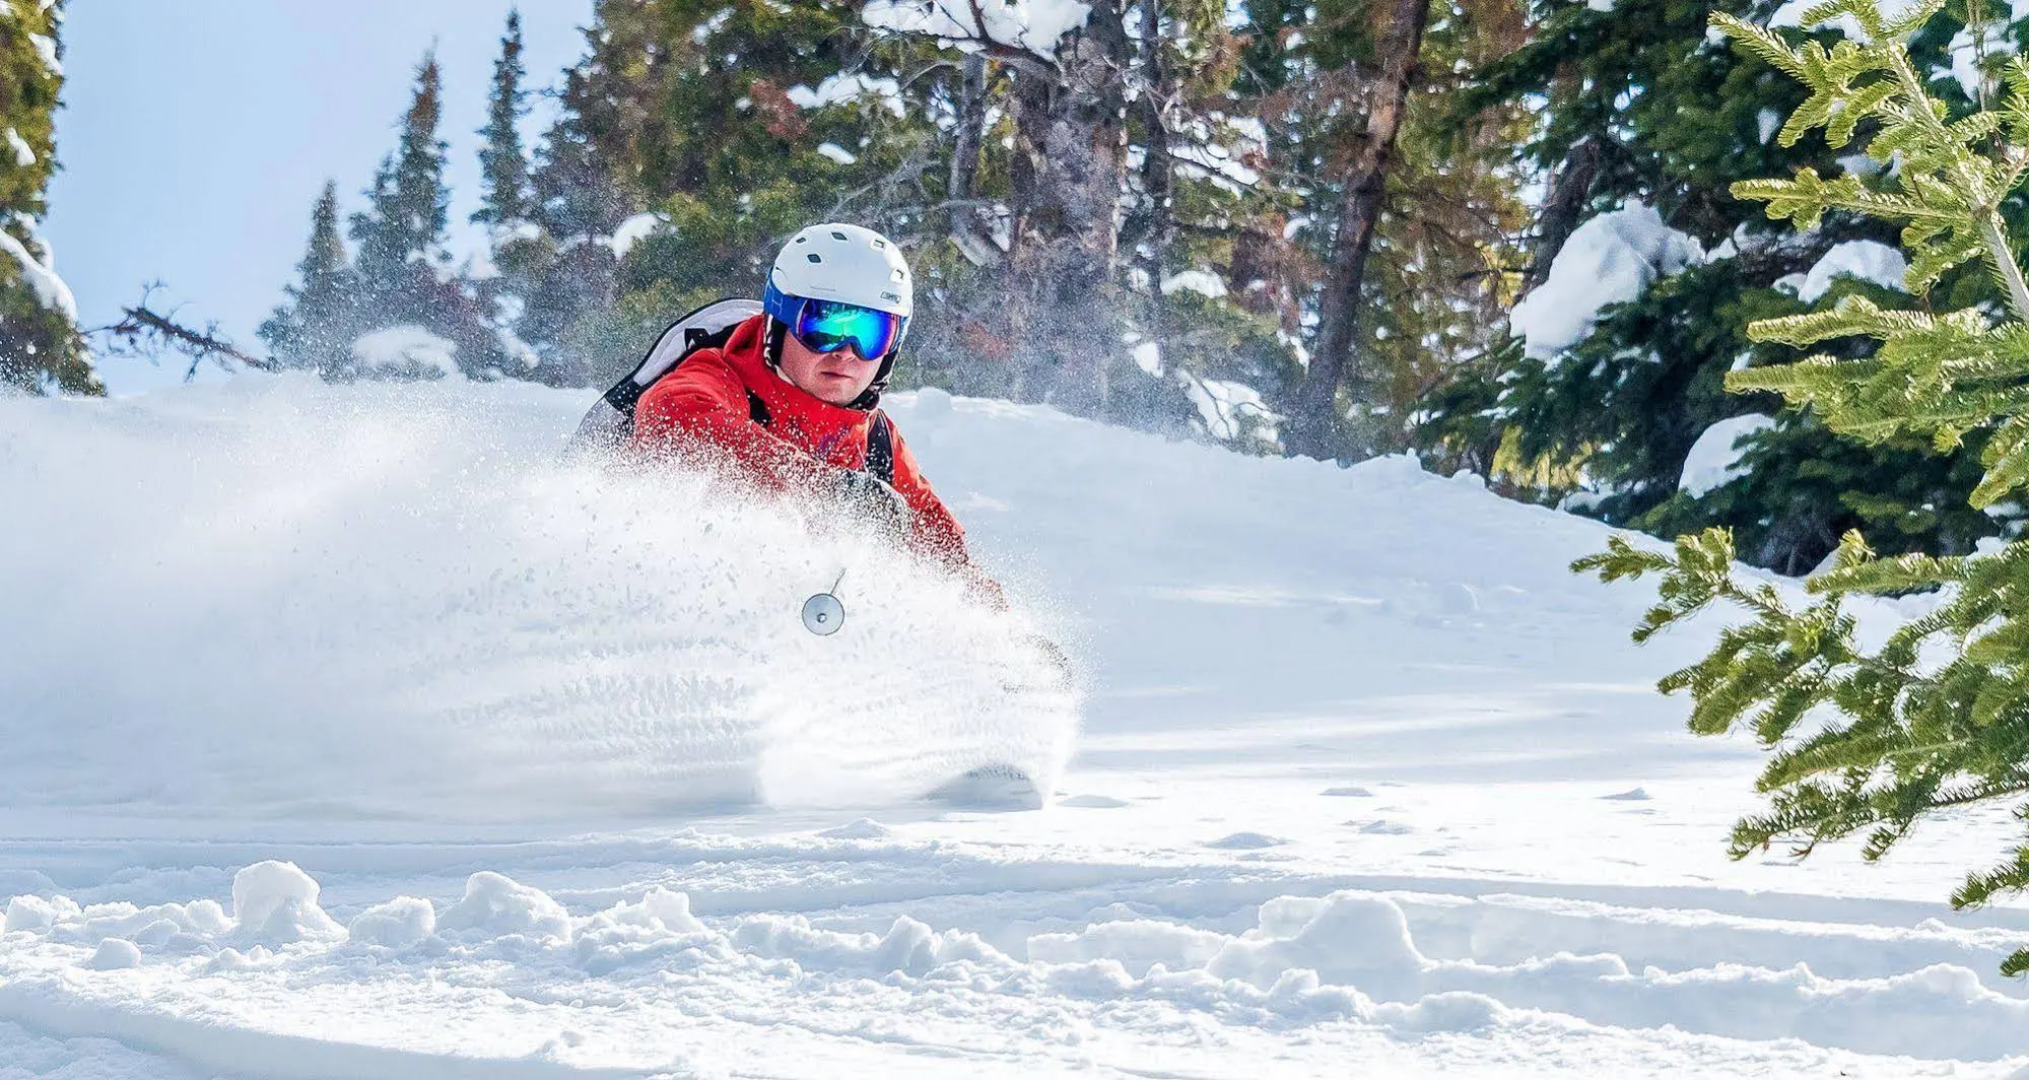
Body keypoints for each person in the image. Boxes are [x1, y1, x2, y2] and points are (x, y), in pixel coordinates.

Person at [629, 222, 994, 592]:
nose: (847, 352)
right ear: (780, 322)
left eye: (871, 334)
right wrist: (820, 487)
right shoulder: (723, 376)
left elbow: (942, 549)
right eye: (826, 327)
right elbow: (671, 417)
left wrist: (1005, 634)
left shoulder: (876, 441)